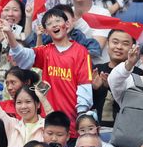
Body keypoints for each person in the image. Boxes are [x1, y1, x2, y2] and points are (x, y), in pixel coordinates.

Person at [7, 8, 92, 137]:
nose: (55, 25)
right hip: (47, 123)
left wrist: (81, 116)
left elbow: (85, 86)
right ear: (46, 31)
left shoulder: (81, 52)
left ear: (67, 24)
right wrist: (9, 34)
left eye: (58, 21)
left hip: (72, 123)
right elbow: (21, 55)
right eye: (49, 23)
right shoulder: (45, 51)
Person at [0, 82, 47, 147]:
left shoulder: (46, 126)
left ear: (38, 104)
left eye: (28, 102)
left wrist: (43, 99)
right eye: (19, 102)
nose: (23, 106)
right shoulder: (13, 125)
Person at [92, 28, 141, 125]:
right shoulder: (96, 70)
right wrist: (93, 89)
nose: (119, 47)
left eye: (125, 44)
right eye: (115, 42)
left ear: (133, 48)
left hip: (125, 128)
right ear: (107, 44)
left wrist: (111, 86)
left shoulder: (139, 74)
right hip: (95, 128)